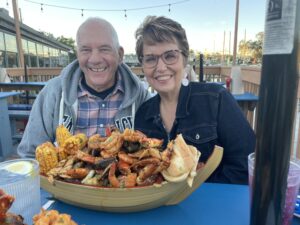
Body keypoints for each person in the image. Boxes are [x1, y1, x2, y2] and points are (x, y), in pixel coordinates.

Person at [133, 16, 256, 184]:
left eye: (170, 56)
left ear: (184, 59)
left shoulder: (216, 99)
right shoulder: (142, 115)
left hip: (215, 205)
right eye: (150, 58)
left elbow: (245, 165)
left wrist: (195, 188)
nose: (160, 67)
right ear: (143, 65)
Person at [18, 17, 151, 158]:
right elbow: (29, 154)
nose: (95, 59)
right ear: (78, 54)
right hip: (60, 179)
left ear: (119, 55)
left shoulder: (141, 95)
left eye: (104, 49)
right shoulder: (53, 92)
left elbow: (152, 153)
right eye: (86, 50)